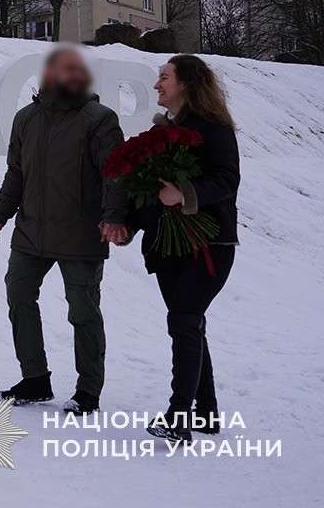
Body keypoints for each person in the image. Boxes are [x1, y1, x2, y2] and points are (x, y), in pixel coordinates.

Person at [0, 47, 128, 415]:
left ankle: (88, 391)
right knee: (18, 295)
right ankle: (35, 378)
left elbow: (116, 174)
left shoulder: (100, 119)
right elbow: (16, 173)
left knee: (82, 311)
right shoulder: (25, 119)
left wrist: (112, 216)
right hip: (31, 230)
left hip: (81, 232)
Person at [117, 55, 240, 444]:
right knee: (189, 324)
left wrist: (185, 194)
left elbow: (227, 179)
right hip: (168, 246)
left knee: (185, 321)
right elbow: (150, 192)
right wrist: (129, 226)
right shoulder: (164, 132)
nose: (157, 84)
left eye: (164, 77)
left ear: (186, 83)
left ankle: (178, 417)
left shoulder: (213, 128)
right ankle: (205, 414)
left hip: (209, 244)